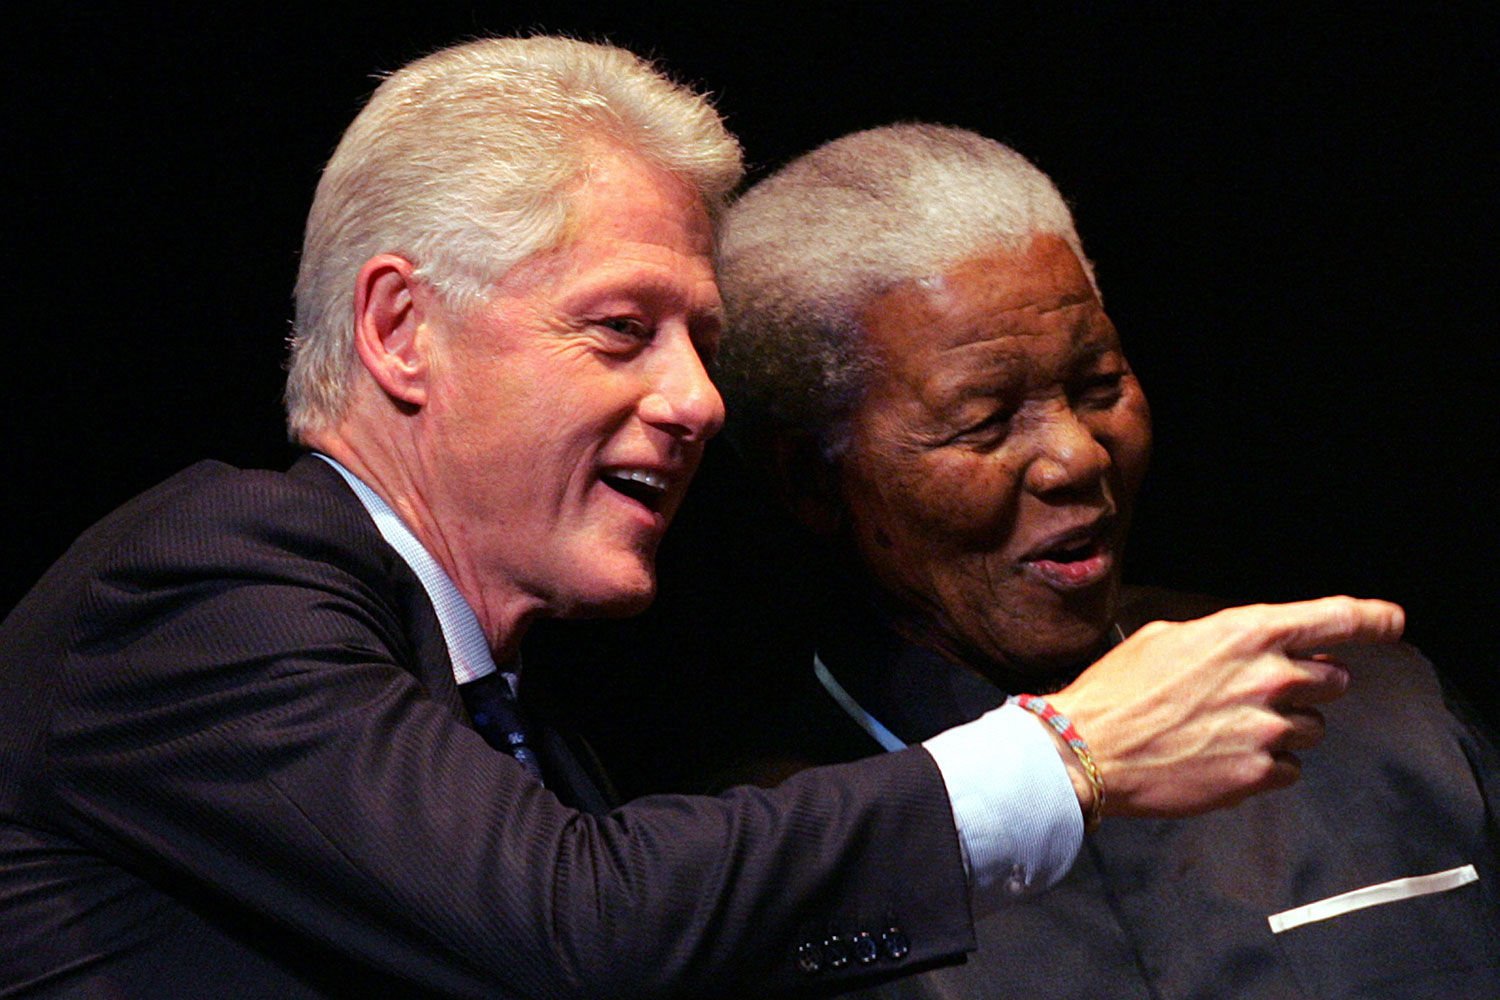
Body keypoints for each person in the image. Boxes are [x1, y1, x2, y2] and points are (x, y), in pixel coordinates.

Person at [0, 40, 1404, 999]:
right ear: (399, 331)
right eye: (621, 330)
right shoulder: (202, 584)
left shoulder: (532, 740)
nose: (697, 400)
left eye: (703, 342)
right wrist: (1066, 755)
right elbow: (575, 926)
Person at [691, 123, 1500, 997]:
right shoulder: (762, 868)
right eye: (985, 421)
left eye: (1098, 385)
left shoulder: (1365, 705)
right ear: (812, 481)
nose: (1078, 455)